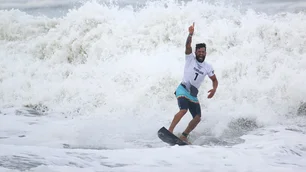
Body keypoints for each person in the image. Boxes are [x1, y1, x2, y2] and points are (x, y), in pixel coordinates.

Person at [168, 22, 218, 144]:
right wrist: (190, 34)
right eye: (199, 52)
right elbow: (188, 46)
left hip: (193, 95)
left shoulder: (207, 67)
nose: (201, 54)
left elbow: (214, 80)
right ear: (195, 52)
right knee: (183, 110)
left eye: (203, 52)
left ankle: (184, 135)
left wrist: (214, 89)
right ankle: (170, 131)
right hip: (183, 89)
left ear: (205, 53)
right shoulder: (190, 58)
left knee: (197, 118)